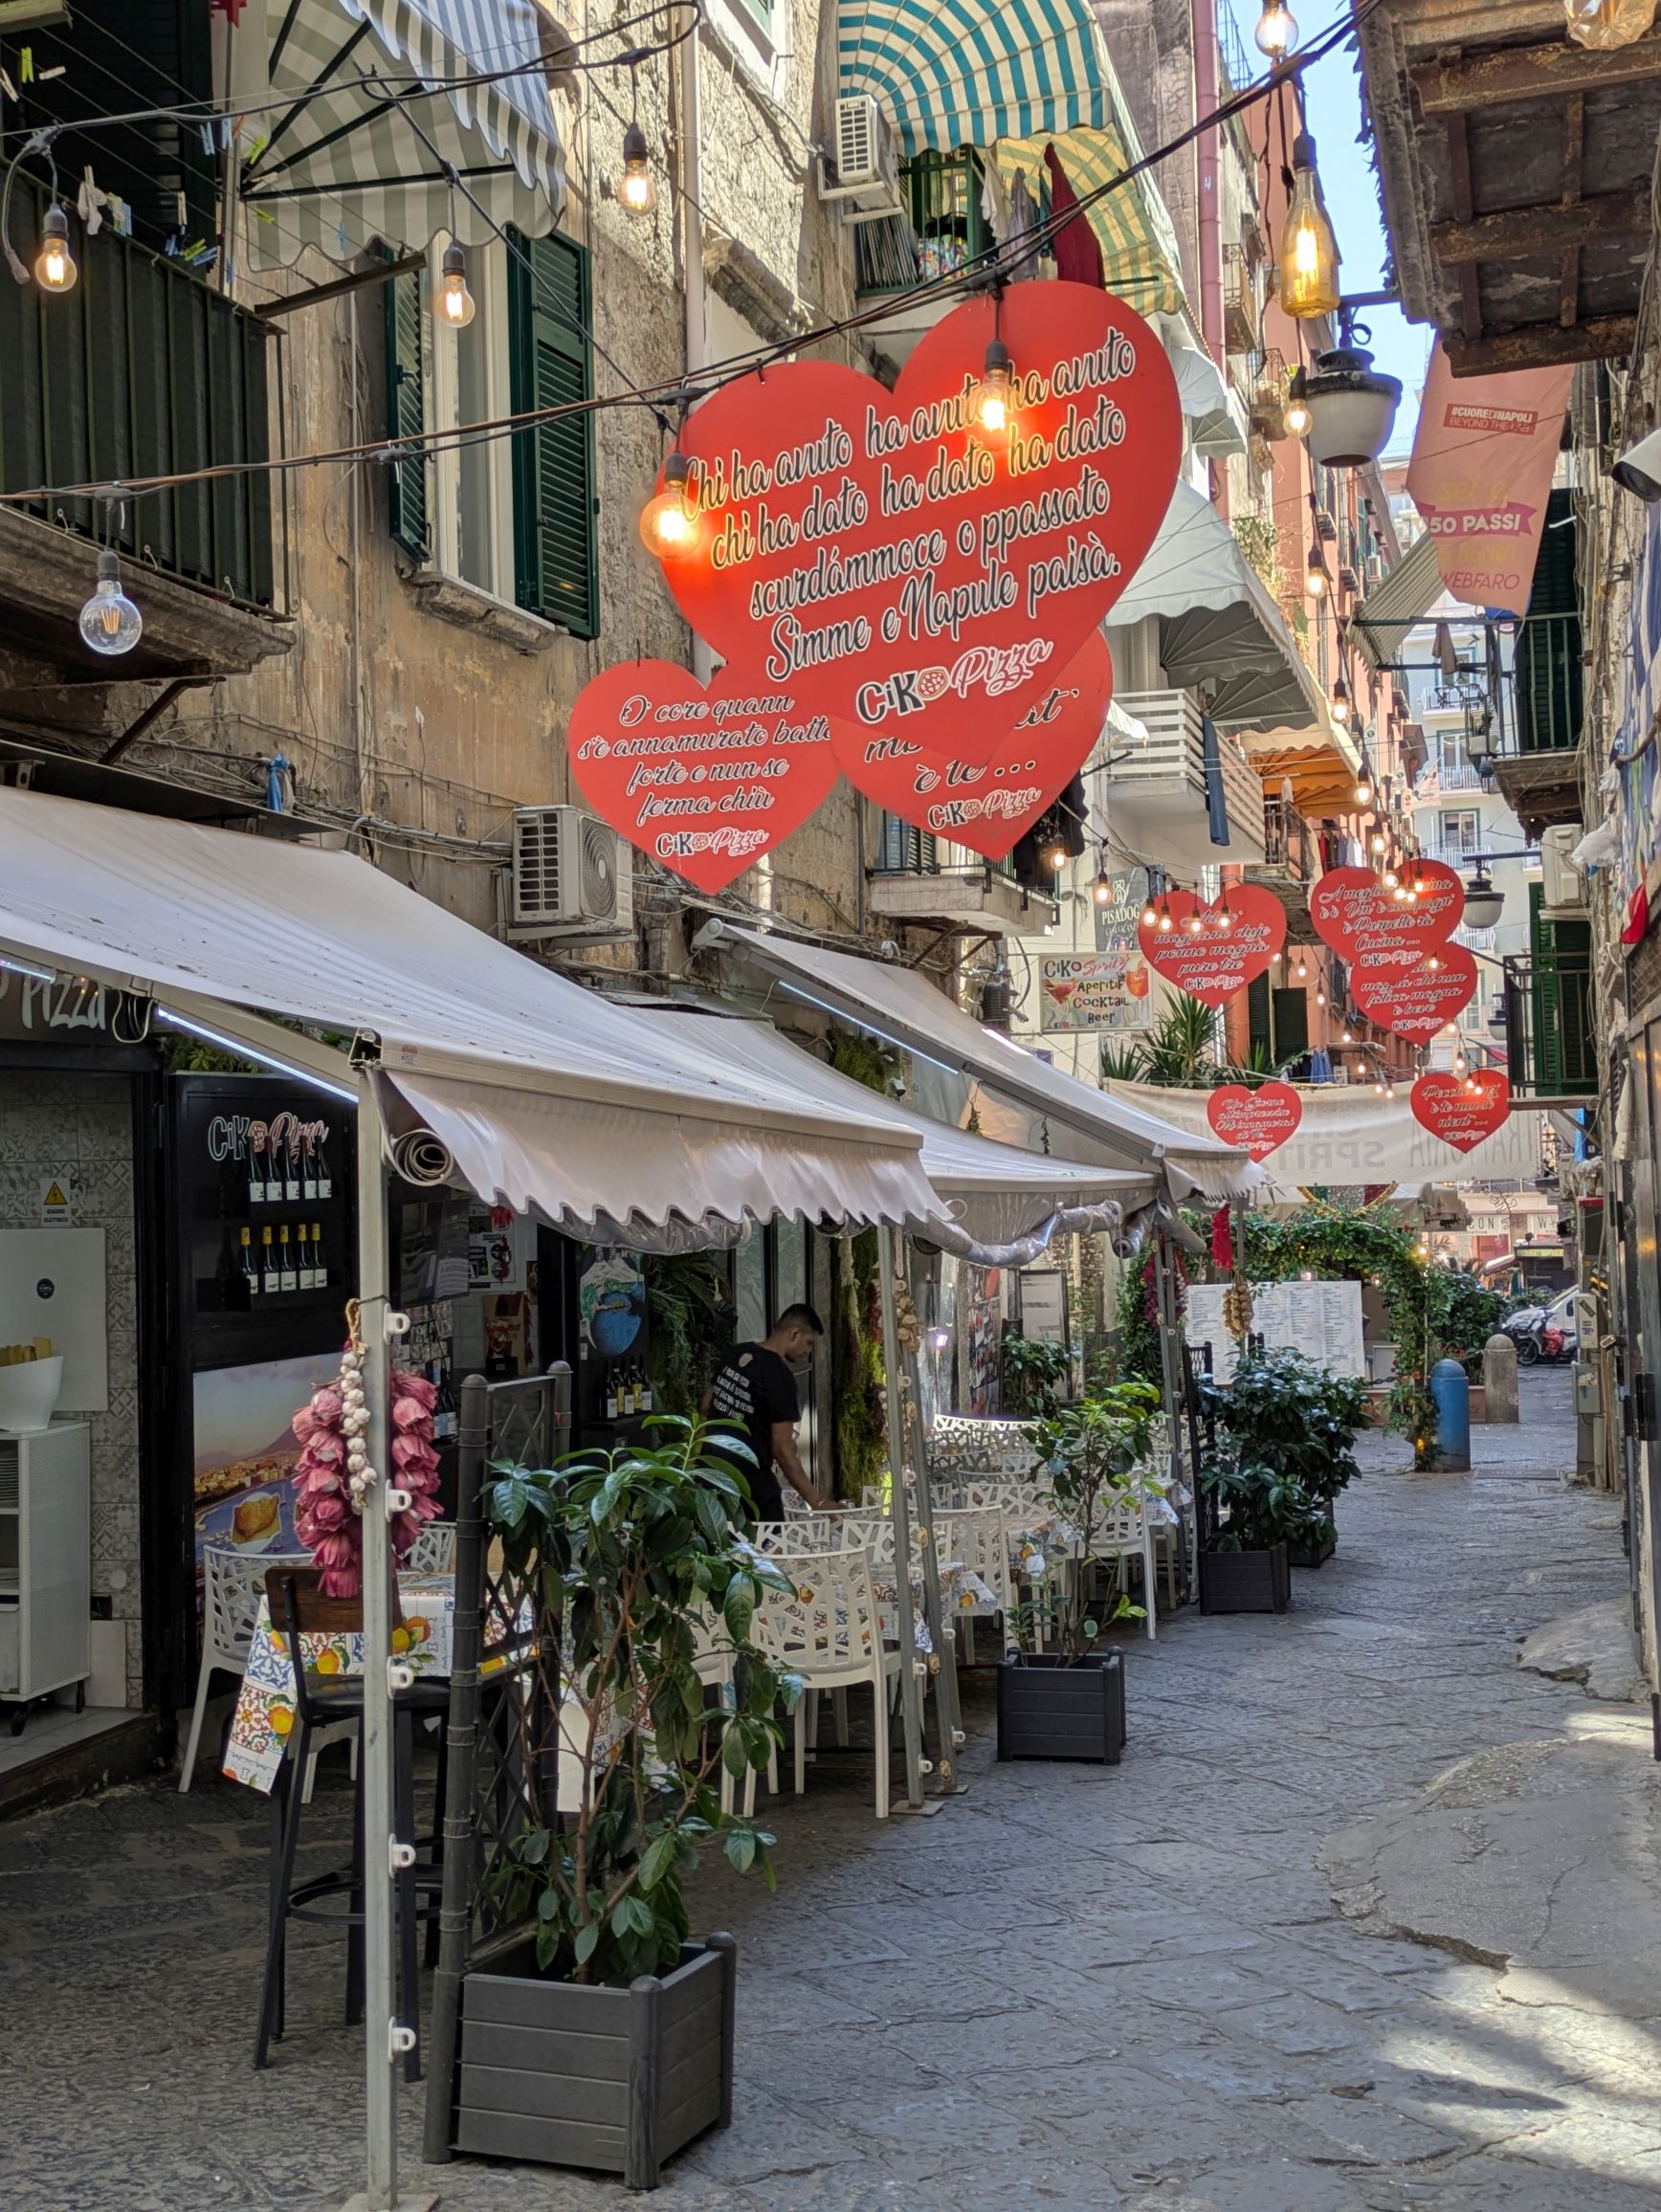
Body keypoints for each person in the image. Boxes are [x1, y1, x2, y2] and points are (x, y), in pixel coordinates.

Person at [703, 1303, 830, 1522]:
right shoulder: (780, 1378)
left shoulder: (737, 1353)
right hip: (750, 1485)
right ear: (794, 1334)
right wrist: (818, 1502)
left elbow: (706, 1403)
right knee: (771, 1541)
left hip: (710, 1472)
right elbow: (783, 1449)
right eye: (809, 1343)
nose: (808, 1352)